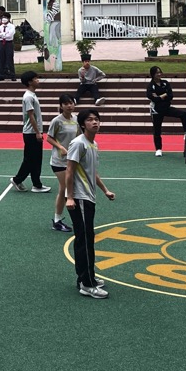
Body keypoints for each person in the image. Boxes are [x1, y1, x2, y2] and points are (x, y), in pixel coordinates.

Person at [65, 109, 115, 299]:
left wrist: (105, 190)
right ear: (82, 124)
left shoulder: (93, 144)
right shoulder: (78, 143)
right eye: (90, 120)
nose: (95, 122)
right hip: (80, 198)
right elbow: (69, 170)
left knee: (86, 238)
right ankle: (87, 284)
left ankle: (86, 277)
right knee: (85, 240)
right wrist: (70, 197)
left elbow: (92, 172)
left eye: (96, 119)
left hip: (89, 197)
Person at [9, 71, 51, 193]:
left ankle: (36, 184)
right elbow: (31, 116)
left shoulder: (32, 95)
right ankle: (17, 179)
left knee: (36, 159)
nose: (38, 80)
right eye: (35, 78)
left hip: (33, 132)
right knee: (30, 159)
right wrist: (37, 132)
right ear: (29, 82)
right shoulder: (28, 97)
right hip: (31, 133)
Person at [45, 94, 79, 232]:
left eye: (71, 103)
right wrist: (60, 147)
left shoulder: (76, 120)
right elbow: (49, 138)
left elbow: (79, 137)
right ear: (61, 106)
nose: (69, 106)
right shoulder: (57, 121)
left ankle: (58, 220)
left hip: (72, 159)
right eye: (66, 104)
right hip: (59, 161)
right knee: (66, 188)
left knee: (65, 189)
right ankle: (61, 220)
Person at [146, 66, 186, 157]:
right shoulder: (151, 85)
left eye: (160, 72)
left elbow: (170, 96)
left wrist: (160, 96)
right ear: (153, 74)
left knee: (184, 114)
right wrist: (163, 95)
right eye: (157, 73)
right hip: (156, 110)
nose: (159, 74)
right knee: (157, 130)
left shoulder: (165, 83)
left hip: (166, 108)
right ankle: (158, 149)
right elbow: (153, 98)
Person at [0, 12, 17, 81]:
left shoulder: (11, 26)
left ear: (9, 18)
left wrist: (2, 34)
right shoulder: (1, 26)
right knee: (1, 59)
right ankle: (1, 75)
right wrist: (4, 34)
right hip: (1, 43)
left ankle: (12, 75)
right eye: (3, 17)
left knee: (9, 59)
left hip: (8, 43)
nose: (3, 19)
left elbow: (10, 35)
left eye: (5, 17)